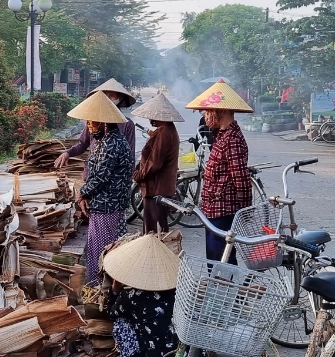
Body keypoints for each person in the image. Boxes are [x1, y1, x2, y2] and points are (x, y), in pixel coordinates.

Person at [103, 235, 181, 357]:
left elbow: (111, 312)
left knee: (120, 323)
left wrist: (115, 289)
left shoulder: (130, 296)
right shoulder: (178, 289)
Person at [185, 79, 253, 264]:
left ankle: (225, 290)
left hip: (223, 212)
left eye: (208, 111)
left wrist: (244, 213)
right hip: (213, 211)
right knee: (215, 259)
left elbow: (241, 181)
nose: (206, 116)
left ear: (220, 111)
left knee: (221, 260)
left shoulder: (232, 139)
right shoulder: (221, 136)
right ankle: (221, 289)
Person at [68, 91, 132, 286]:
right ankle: (98, 286)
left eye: (91, 123)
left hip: (108, 205)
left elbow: (101, 177)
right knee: (96, 247)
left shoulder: (112, 144)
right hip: (103, 204)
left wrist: (82, 193)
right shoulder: (105, 141)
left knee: (102, 249)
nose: (89, 127)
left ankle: (99, 289)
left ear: (104, 123)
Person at [54, 78, 137, 172]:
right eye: (105, 95)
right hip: (91, 173)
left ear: (120, 99)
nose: (108, 99)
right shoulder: (93, 120)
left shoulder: (127, 124)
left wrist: (129, 176)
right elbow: (83, 143)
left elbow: (129, 155)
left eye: (112, 96)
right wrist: (68, 153)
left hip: (112, 177)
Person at [130, 92, 183, 234]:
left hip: (156, 188)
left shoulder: (164, 132)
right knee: (157, 228)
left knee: (154, 231)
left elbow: (154, 162)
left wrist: (138, 175)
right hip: (159, 188)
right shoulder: (166, 130)